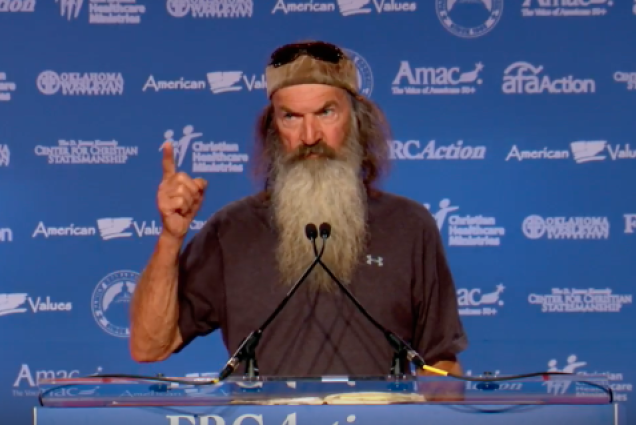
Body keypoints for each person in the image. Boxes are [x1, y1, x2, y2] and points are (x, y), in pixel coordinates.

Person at [129, 41, 467, 378]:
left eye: (325, 112)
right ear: (273, 127)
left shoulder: (408, 226)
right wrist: (171, 237)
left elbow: (440, 362)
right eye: (291, 116)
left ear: (356, 119)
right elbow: (149, 346)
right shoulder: (231, 230)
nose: (309, 135)